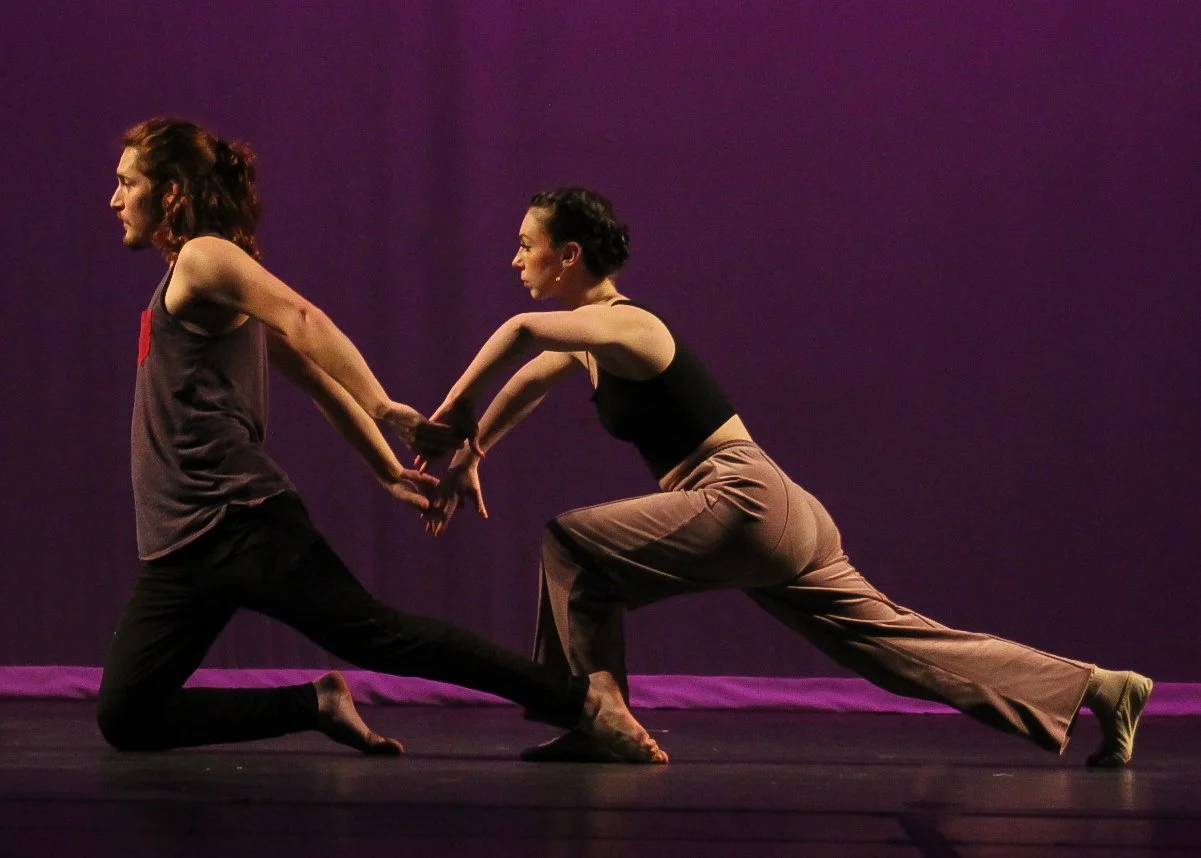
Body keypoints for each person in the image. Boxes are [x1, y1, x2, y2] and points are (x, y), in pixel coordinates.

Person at [420, 187, 1153, 767]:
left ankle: (593, 713)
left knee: (571, 546)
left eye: (526, 246)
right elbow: (534, 376)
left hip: (737, 497)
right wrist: (472, 452)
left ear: (569, 254)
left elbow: (519, 335)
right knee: (891, 650)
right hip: (774, 507)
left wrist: (445, 416)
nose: (515, 260)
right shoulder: (596, 340)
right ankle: (1098, 688)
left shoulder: (631, 325)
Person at [97, 120, 665, 764]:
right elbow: (311, 379)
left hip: (239, 521)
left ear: (170, 190)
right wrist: (388, 471)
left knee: (381, 637)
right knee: (127, 715)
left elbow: (304, 324)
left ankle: (585, 701)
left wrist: (385, 409)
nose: (115, 198)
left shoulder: (207, 257)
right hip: (181, 543)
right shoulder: (189, 277)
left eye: (127, 182)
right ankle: (315, 704)